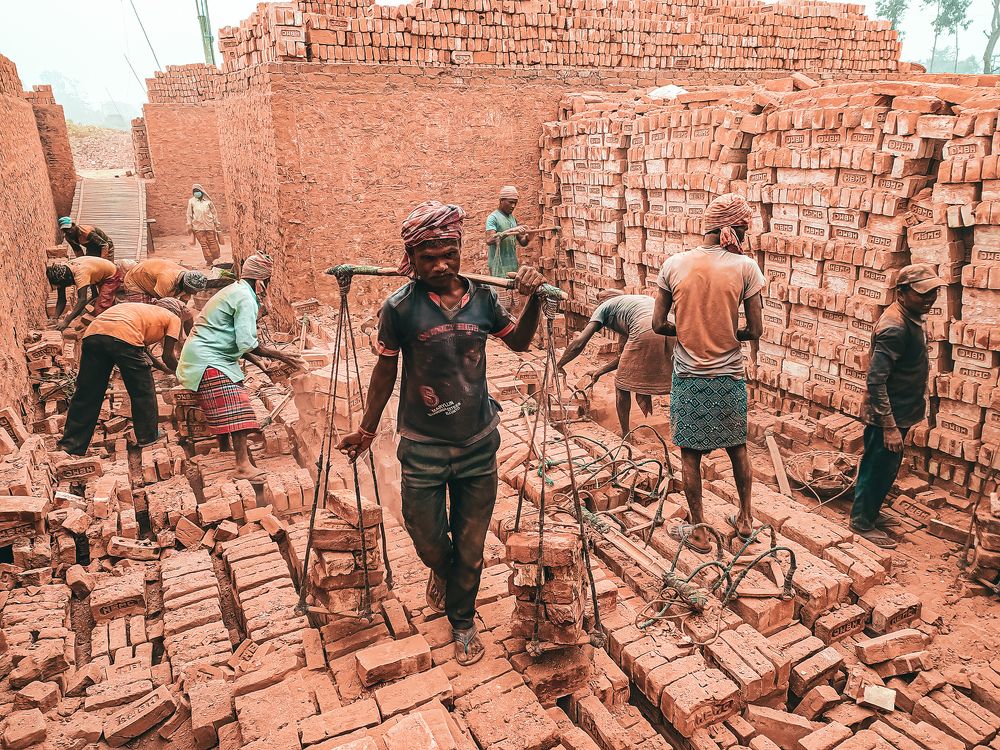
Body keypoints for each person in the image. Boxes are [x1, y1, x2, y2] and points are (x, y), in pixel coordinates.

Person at [337, 201, 546, 667]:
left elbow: (520, 342)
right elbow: (384, 371)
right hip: (423, 445)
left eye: (448, 253)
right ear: (412, 257)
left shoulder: (485, 301)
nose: (440, 265)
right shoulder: (401, 309)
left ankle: (463, 620)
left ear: (459, 247)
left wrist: (533, 299)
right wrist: (367, 429)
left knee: (471, 546)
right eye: (428, 257)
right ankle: (441, 573)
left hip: (477, 442)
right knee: (428, 538)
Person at [652, 193, 765, 553]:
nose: (745, 238)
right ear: (732, 230)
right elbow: (756, 329)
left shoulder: (673, 265)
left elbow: (657, 324)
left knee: (690, 454)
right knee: (738, 448)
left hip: (689, 376)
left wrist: (687, 331)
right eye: (744, 230)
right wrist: (728, 333)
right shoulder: (745, 267)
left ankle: (699, 530)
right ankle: (745, 521)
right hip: (729, 375)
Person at [176, 253, 304, 481]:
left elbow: (238, 340)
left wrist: (261, 362)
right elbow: (247, 342)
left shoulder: (235, 290)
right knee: (238, 408)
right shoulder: (244, 297)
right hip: (208, 358)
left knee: (227, 402)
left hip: (203, 355)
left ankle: (226, 449)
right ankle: (243, 466)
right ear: (261, 281)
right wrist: (283, 356)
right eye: (268, 281)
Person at [850, 264, 944, 549]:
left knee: (886, 467)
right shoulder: (894, 327)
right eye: (922, 294)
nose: (930, 298)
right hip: (886, 416)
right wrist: (889, 427)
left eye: (934, 292)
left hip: (900, 410)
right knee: (877, 467)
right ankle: (861, 522)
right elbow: (876, 381)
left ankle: (871, 513)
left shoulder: (911, 316)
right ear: (902, 293)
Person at [57, 298, 187, 456]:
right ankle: (148, 436)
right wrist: (183, 373)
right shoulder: (173, 318)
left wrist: (162, 368)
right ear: (177, 312)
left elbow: (143, 350)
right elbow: (168, 356)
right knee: (142, 391)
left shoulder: (142, 311)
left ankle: (71, 445)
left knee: (87, 393)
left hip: (94, 335)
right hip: (124, 338)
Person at [557, 290, 673, 436]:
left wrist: (559, 364)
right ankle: (681, 429)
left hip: (645, 329)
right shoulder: (632, 304)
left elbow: (580, 342)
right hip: (671, 327)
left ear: (601, 302)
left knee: (621, 384)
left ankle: (625, 433)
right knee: (674, 380)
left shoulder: (604, 307)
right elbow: (625, 357)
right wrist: (599, 372)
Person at [47, 256, 124, 331]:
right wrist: (55, 318)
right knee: (97, 300)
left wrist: (66, 321)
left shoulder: (80, 274)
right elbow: (61, 299)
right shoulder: (62, 272)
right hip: (97, 271)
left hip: (112, 275)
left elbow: (82, 300)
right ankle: (102, 301)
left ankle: (105, 329)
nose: (61, 287)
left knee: (101, 307)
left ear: (66, 279)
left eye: (61, 285)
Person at [485, 186, 529, 309]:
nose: (513, 206)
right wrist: (511, 230)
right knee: (500, 307)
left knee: (511, 307)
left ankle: (510, 328)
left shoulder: (512, 219)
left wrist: (530, 235)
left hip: (512, 267)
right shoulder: (493, 218)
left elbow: (523, 242)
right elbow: (490, 239)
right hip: (499, 268)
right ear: (501, 201)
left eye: (515, 203)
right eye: (510, 202)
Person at [123, 258, 212, 304]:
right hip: (135, 281)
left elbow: (182, 305)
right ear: (186, 286)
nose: (195, 294)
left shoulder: (190, 278)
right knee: (143, 311)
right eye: (194, 291)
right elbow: (163, 304)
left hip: (152, 280)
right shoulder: (166, 280)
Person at [186, 184, 223, 266]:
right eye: (195, 191)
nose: (196, 193)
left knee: (212, 243)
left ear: (202, 191)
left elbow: (214, 213)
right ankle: (209, 261)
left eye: (198, 191)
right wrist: (189, 224)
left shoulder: (208, 202)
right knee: (204, 245)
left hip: (209, 226)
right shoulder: (191, 202)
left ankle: (214, 257)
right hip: (198, 227)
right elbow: (189, 214)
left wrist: (217, 224)